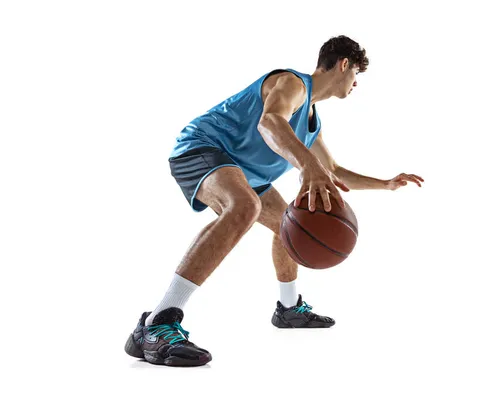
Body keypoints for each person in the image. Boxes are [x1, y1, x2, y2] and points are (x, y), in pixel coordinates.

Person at [124, 35, 424, 367]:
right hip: (202, 147)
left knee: (290, 224)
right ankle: (157, 323)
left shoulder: (312, 120)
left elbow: (333, 169)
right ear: (344, 65)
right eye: (356, 74)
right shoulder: (292, 83)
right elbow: (269, 122)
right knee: (245, 207)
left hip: (241, 170)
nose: (355, 84)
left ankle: (289, 308)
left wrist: (386, 184)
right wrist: (308, 165)